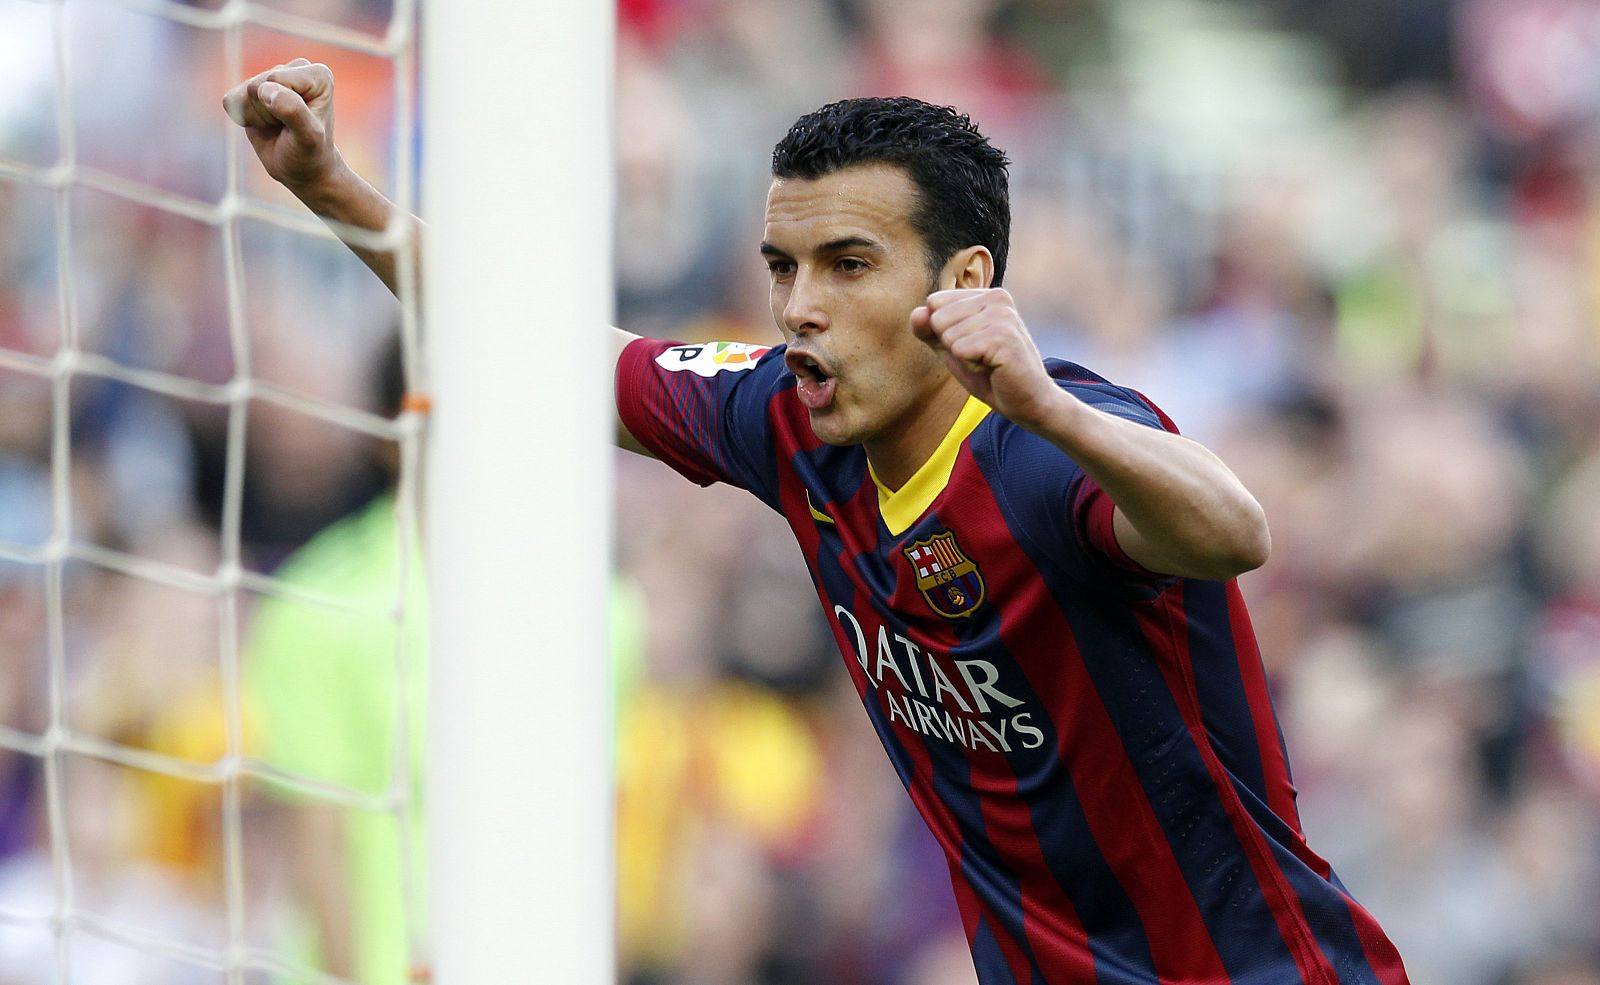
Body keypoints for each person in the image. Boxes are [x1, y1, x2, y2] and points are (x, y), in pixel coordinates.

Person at [224, 59, 1412, 985]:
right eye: (783, 267)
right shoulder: (788, 424)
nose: (799, 307)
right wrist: (332, 189)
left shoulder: (1050, 446)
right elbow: (543, 347)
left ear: (963, 283)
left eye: (847, 265)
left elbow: (1232, 531)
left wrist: (1050, 406)